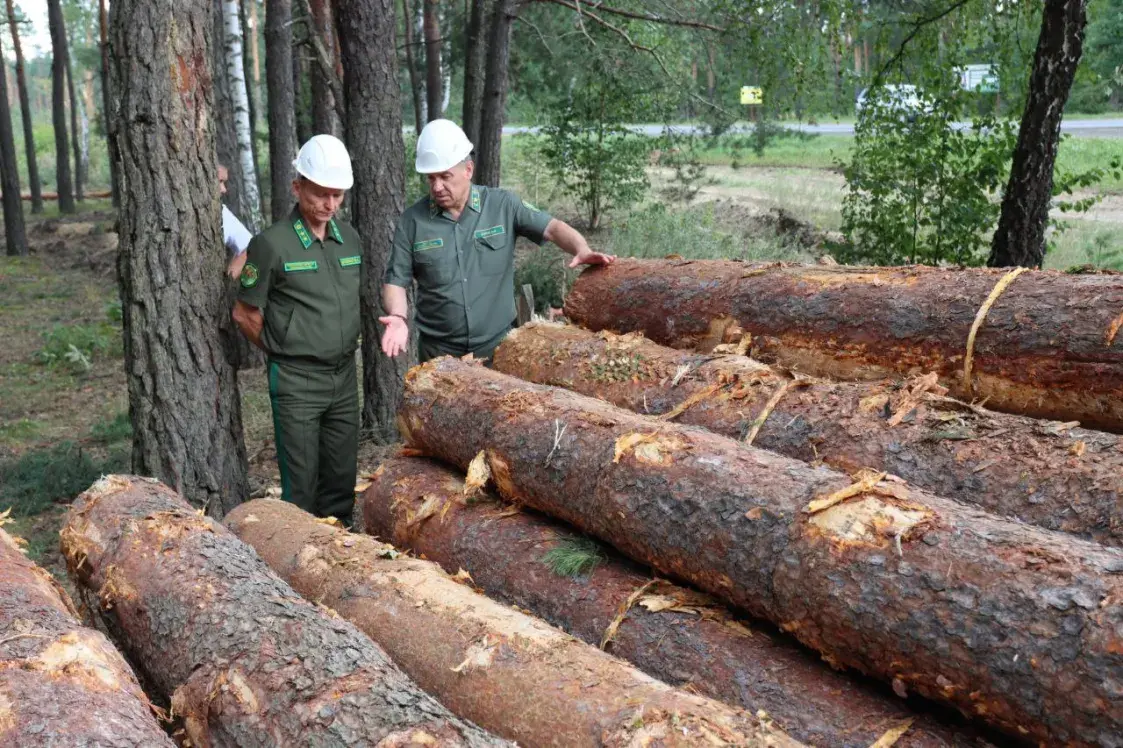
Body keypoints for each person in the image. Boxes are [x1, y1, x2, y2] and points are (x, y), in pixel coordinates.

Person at [380, 119, 615, 363]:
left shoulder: (502, 205)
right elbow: (396, 280)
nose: (437, 187)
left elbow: (553, 228)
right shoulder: (412, 221)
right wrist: (397, 317)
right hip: (438, 355)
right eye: (431, 179)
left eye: (445, 176)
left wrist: (582, 248)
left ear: (468, 170)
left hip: (497, 350)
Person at [232, 135, 361, 524]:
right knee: (301, 489)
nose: (329, 205)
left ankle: (339, 558)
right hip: (297, 380)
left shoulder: (349, 239)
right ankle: (297, 565)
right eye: (321, 194)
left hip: (343, 377)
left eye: (337, 196)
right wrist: (282, 348)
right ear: (297, 187)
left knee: (340, 481)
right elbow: (244, 313)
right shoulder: (272, 244)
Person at [218, 164, 254, 279]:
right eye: (219, 181)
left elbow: (251, 247)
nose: (223, 190)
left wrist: (228, 279)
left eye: (223, 182)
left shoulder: (221, 213)